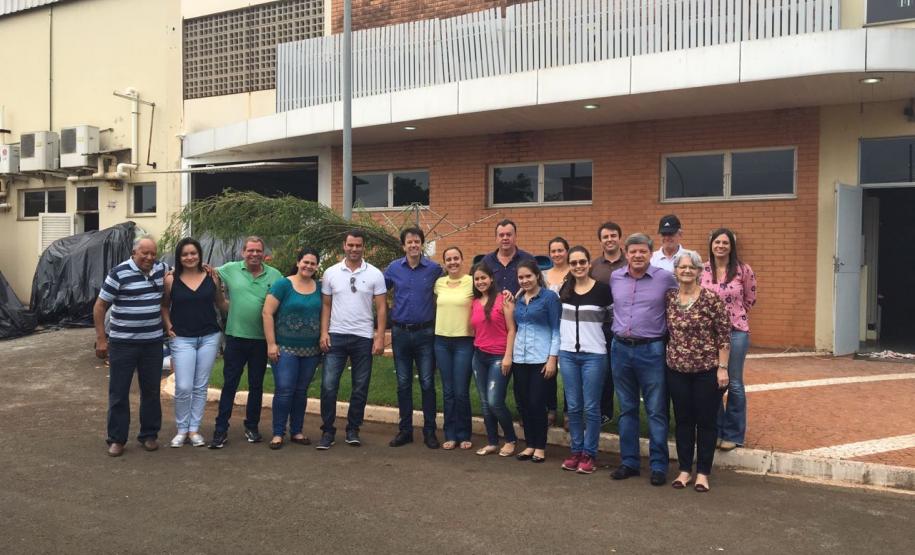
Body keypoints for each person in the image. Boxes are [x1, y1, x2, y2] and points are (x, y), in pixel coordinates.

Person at [609, 233, 677, 486]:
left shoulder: (665, 279)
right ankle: (629, 462)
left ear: (650, 253)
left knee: (656, 410)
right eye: (633, 251)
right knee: (627, 409)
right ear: (626, 253)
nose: (637, 256)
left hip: (652, 350)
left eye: (643, 252)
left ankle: (658, 466)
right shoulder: (616, 277)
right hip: (620, 349)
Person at [93, 236, 168, 457]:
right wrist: (101, 339)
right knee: (118, 392)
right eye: (144, 253)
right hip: (122, 344)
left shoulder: (162, 269)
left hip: (153, 343)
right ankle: (117, 439)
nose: (149, 257)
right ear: (134, 253)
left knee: (152, 391)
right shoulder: (118, 273)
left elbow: (185, 269)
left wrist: (206, 267)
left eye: (153, 253)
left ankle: (149, 435)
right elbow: (100, 306)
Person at [666, 250, 731, 492]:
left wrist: (722, 368)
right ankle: (684, 470)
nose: (686, 271)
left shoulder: (711, 299)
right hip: (676, 369)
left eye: (691, 267)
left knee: (705, 422)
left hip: (706, 370)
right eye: (682, 267)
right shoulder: (670, 298)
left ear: (698, 271)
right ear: (675, 271)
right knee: (683, 421)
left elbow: (724, 336)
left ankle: (703, 472)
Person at [209, 236, 283, 449]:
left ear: (263, 253)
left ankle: (252, 426)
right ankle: (220, 429)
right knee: (229, 385)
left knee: (256, 385)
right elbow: (207, 272)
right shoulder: (231, 269)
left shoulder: (275, 275)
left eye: (258, 251)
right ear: (243, 252)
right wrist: (173, 272)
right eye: (250, 250)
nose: (254, 254)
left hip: (261, 340)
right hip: (236, 338)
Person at [318, 229, 387, 450]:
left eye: (358, 245)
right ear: (344, 246)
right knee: (329, 386)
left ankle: (352, 429)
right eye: (350, 245)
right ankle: (328, 431)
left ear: (363, 247)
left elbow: (382, 308)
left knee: (360, 387)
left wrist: (379, 337)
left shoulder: (375, 274)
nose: (354, 249)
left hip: (363, 337)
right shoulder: (330, 273)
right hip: (336, 335)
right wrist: (324, 332)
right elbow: (326, 305)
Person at [161, 237, 225, 448]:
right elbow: (164, 306)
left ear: (199, 255)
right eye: (185, 254)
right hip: (182, 338)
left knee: (200, 386)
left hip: (209, 336)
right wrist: (168, 325)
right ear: (179, 257)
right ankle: (181, 429)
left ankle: (194, 429)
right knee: (184, 385)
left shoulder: (211, 277)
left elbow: (220, 303)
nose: (190, 257)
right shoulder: (171, 279)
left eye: (193, 253)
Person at [384, 227, 442, 449]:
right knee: (403, 383)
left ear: (422, 244)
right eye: (409, 242)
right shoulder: (393, 269)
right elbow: (378, 289)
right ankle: (405, 431)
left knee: (427, 383)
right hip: (400, 333)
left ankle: (430, 432)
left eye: (417, 241)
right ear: (403, 246)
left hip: (425, 333)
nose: (413, 245)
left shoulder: (435, 269)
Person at [701, 228, 757, 452]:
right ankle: (716, 429)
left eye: (725, 243)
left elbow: (750, 299)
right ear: (711, 245)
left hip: (736, 332)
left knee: (734, 383)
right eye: (717, 242)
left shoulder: (743, 270)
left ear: (731, 246)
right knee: (712, 382)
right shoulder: (702, 269)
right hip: (708, 334)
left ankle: (733, 434)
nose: (721, 246)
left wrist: (733, 315)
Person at [558, 246, 612, 475]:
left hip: (594, 354)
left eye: (582, 262)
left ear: (589, 264)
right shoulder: (565, 289)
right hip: (568, 354)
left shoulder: (602, 290)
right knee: (573, 406)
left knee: (591, 406)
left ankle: (590, 453)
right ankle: (576, 450)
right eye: (574, 263)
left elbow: (612, 319)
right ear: (569, 265)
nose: (578, 266)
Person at [262, 247, 323, 450]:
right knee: (285, 390)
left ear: (316, 267)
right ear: (298, 263)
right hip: (285, 348)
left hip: (311, 351)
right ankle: (278, 433)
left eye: (313, 263)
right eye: (305, 262)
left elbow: (325, 314)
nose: (308, 266)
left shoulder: (319, 287)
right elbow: (267, 313)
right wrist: (271, 343)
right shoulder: (283, 285)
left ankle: (297, 431)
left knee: (301, 391)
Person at [512, 260, 561, 463]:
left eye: (528, 276)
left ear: (537, 275)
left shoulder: (549, 298)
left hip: (541, 358)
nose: (525, 280)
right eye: (521, 277)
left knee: (537, 403)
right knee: (524, 404)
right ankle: (529, 444)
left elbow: (557, 331)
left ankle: (540, 446)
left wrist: (552, 359)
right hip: (520, 358)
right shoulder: (519, 299)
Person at [469, 263, 518, 457]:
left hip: (499, 357)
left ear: (491, 279)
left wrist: (508, 356)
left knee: (495, 401)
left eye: (483, 278)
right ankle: (492, 441)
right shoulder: (474, 302)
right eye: (477, 279)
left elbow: (512, 329)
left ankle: (511, 439)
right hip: (479, 356)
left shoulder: (503, 300)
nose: (480, 282)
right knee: (484, 402)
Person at [434, 246, 475, 450]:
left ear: (462, 259)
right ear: (444, 262)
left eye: (456, 258)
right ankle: (450, 434)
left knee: (461, 391)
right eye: (448, 259)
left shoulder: (471, 281)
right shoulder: (439, 284)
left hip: (464, 342)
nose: (452, 262)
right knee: (448, 390)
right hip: (441, 341)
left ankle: (464, 433)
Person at [589, 221, 626, 427]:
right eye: (605, 237)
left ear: (619, 238)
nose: (610, 239)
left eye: (613, 235)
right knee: (603, 370)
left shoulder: (629, 262)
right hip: (600, 325)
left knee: (622, 370)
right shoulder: (594, 266)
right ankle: (605, 411)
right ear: (601, 240)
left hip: (625, 325)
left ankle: (628, 413)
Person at [543, 236, 570, 428]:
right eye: (553, 251)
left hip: (570, 326)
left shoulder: (574, 272)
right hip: (548, 327)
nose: (557, 254)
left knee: (569, 371)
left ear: (566, 252)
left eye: (560, 250)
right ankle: (550, 408)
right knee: (548, 370)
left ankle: (569, 412)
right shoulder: (542, 275)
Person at [481, 219, 534, 293]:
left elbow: (538, 286)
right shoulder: (486, 261)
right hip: (493, 304)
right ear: (496, 238)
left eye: (509, 234)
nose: (505, 238)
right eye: (501, 235)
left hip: (521, 304)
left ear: (515, 236)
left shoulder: (528, 259)